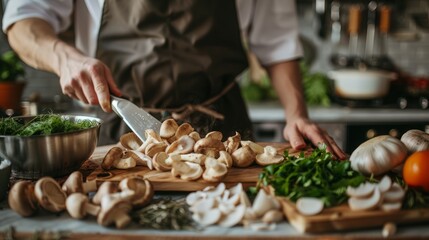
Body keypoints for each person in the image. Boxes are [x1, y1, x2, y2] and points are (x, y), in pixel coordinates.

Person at [2, 0, 346, 159]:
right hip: (117, 136)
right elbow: (24, 20)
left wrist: (296, 113)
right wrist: (66, 58)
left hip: (222, 135)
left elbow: (278, 44)